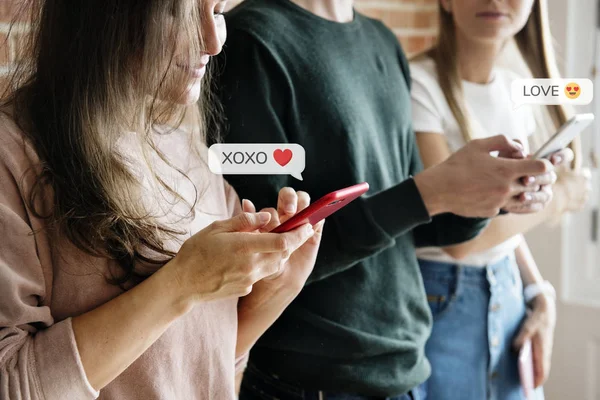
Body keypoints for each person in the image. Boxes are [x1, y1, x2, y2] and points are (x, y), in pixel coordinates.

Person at [214, 0, 570, 398]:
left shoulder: (382, 41)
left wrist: (493, 194)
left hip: (405, 369)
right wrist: (429, 193)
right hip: (314, 381)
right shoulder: (249, 40)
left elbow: (415, 222)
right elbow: (265, 256)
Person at [0, 1, 325, 399]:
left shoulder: (182, 141)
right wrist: (184, 282)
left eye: (218, 11)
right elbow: (10, 382)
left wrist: (274, 294)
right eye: (183, 11)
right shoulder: (12, 155)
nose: (213, 42)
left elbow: (203, 367)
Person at [410, 0, 592, 399]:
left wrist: (538, 292)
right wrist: (558, 196)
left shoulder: (515, 90)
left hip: (509, 292)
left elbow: (502, 220)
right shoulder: (417, 83)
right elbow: (459, 238)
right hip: (438, 298)